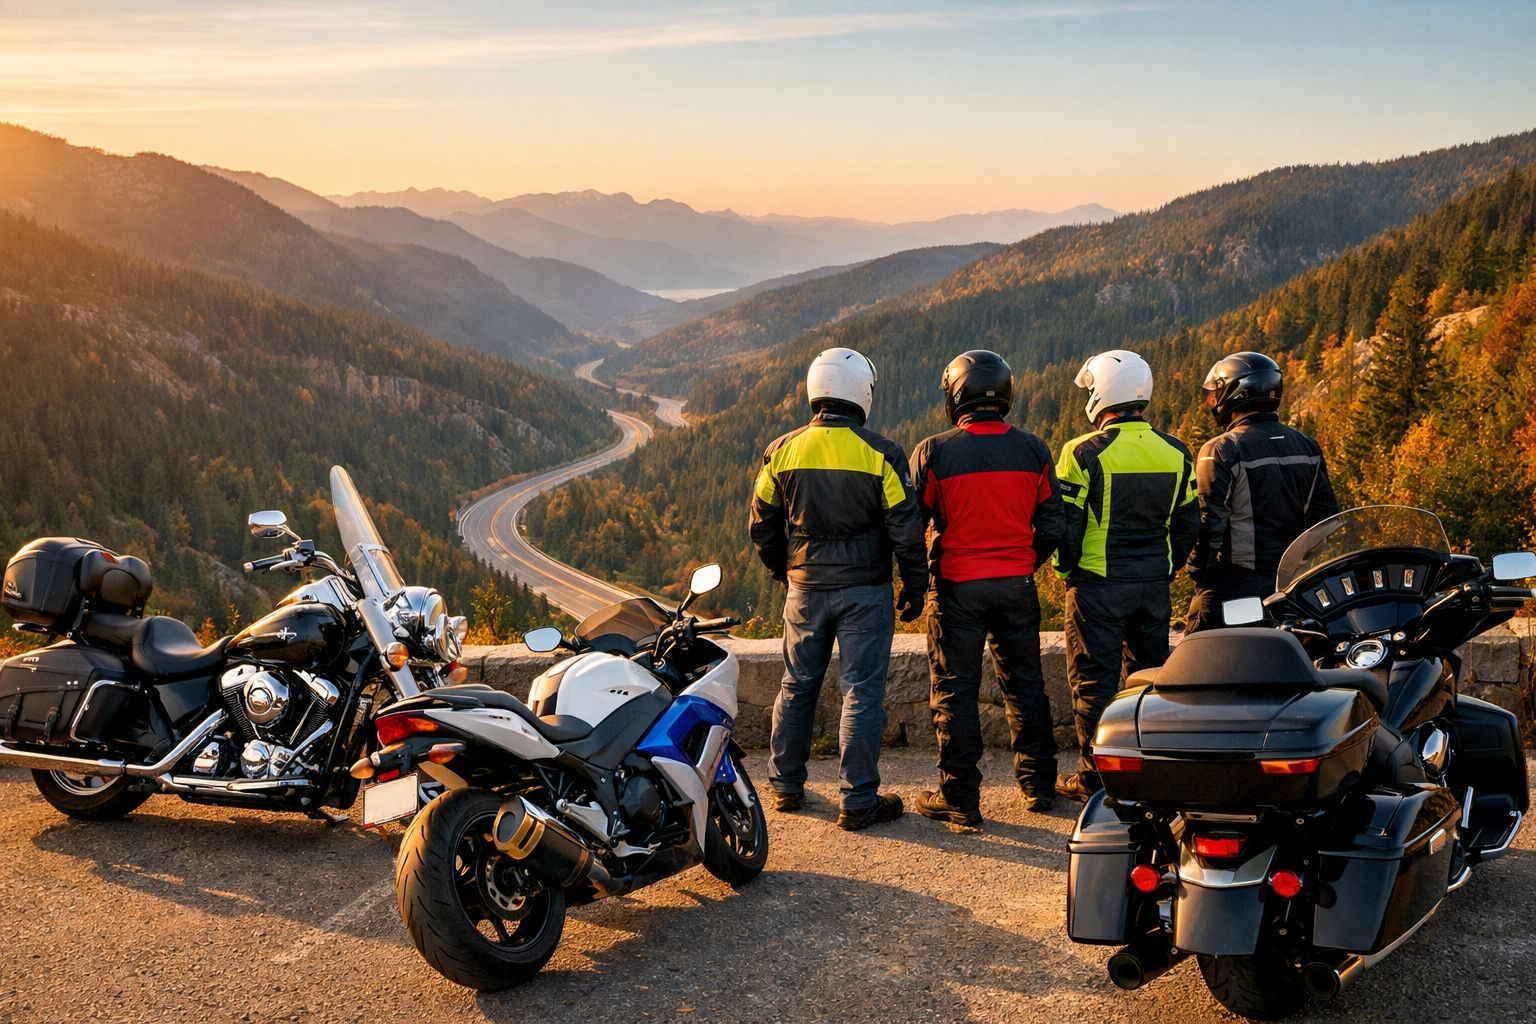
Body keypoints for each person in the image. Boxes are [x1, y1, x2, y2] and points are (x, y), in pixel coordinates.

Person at [748, 346, 929, 831]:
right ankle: (858, 798)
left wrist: (785, 572)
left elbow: (762, 526)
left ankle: (785, 785)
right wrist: (915, 587)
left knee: (795, 685)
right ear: (859, 394)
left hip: (805, 587)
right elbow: (907, 532)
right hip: (866, 589)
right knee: (862, 693)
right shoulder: (882, 452)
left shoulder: (781, 450)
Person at [908, 351, 1066, 829]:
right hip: (1017, 586)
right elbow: (1053, 524)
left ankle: (959, 798)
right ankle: (1039, 787)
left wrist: (916, 587)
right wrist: (1025, 563)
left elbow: (913, 525)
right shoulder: (1035, 449)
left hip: (958, 588)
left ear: (956, 394)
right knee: (1026, 686)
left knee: (955, 691)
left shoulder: (934, 451)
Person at [1053, 350, 1199, 801]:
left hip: (1097, 584)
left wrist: (1064, 569)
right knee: (1150, 679)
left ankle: (1096, 777)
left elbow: (1066, 525)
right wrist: (1168, 566)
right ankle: (1147, 768)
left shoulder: (1081, 451)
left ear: (1101, 394)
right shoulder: (1176, 450)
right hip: (1152, 583)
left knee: (1093, 683)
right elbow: (1189, 522)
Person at [1184, 352, 1340, 632]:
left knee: (1196, 663)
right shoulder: (1307, 445)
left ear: (1235, 393)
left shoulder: (1220, 449)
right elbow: (1327, 520)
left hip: (1239, 584)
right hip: (1293, 586)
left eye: (1216, 393)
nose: (1212, 400)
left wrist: (1198, 573)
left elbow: (1209, 523)